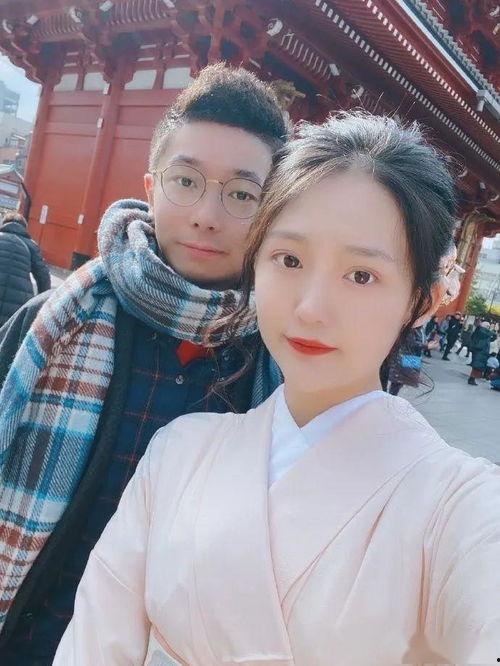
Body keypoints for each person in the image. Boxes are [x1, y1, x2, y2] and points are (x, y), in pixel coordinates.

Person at [55, 114, 500, 664]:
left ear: (421, 301)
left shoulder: (459, 506)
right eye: (289, 260)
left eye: (361, 275)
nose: (310, 308)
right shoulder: (180, 451)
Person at [0, 64, 287, 664]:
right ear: (152, 188)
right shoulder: (49, 325)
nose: (207, 214)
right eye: (186, 181)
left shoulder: (281, 370)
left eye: (241, 194)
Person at [0, 212, 51, 326]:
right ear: (24, 228)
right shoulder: (31, 245)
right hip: (18, 303)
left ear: (4, 224)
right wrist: (40, 303)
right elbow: (43, 277)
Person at [381, 326, 425, 395]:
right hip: (404, 356)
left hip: (413, 357)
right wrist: (426, 346)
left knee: (402, 380)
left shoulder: (420, 329)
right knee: (398, 380)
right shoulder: (411, 328)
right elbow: (411, 343)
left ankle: (390, 395)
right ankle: (389, 395)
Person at [467, 319, 497, 385]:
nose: (488, 328)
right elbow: (492, 335)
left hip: (482, 352)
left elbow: (492, 338)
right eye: (487, 326)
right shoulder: (482, 331)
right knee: (477, 366)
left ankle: (472, 379)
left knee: (477, 367)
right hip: (480, 351)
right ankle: (471, 379)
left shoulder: (484, 333)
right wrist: (493, 334)